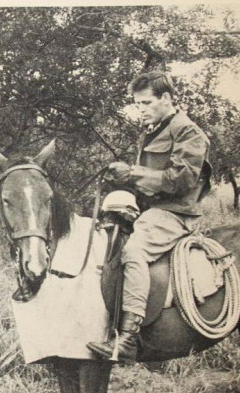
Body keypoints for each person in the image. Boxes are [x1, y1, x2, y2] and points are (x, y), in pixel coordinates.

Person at [87, 71, 212, 362]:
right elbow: (148, 180)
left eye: (146, 103)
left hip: (175, 214)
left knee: (133, 251)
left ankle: (128, 339)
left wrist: (132, 173)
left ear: (166, 98)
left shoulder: (189, 132)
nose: (140, 110)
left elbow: (181, 180)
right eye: (137, 104)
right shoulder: (153, 131)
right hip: (149, 211)